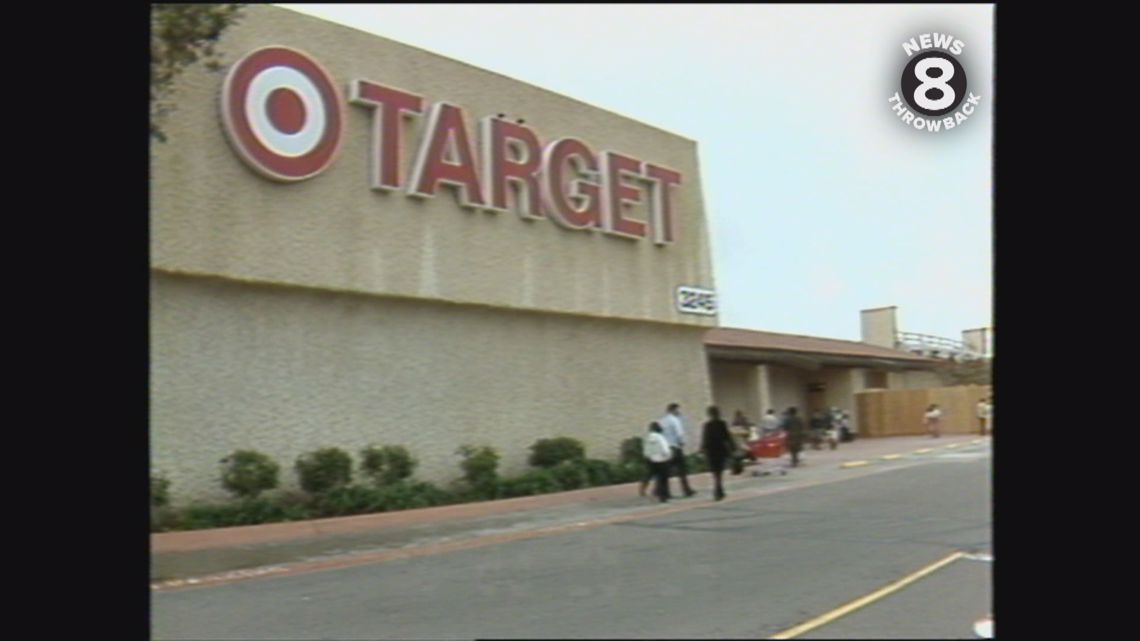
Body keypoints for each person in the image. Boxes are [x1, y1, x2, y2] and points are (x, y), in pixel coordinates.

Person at [659, 403, 697, 497]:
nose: (678, 412)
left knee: (666, 471)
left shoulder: (662, 421)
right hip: (675, 448)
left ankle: (664, 492)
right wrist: (682, 443)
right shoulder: (675, 420)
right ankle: (686, 490)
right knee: (682, 470)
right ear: (673, 410)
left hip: (666, 448)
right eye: (677, 410)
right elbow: (679, 434)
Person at [701, 406, 735, 501]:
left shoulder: (707, 425)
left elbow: (705, 439)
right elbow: (727, 437)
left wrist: (703, 449)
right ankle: (718, 490)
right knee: (719, 471)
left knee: (715, 472)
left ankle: (718, 490)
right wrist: (733, 448)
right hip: (720, 450)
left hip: (711, 451)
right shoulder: (722, 424)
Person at [642, 422, 673, 503]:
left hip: (652, 460)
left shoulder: (648, 438)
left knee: (653, 476)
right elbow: (665, 448)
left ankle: (648, 490)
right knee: (663, 479)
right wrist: (668, 456)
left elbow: (646, 450)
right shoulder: (660, 437)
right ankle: (664, 496)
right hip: (662, 460)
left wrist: (648, 457)